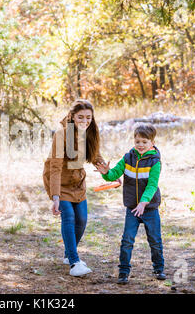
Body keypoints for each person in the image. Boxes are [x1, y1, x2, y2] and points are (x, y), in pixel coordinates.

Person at [95, 124, 165, 284]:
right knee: (127, 239)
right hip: (132, 208)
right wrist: (106, 173)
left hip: (149, 208)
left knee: (155, 240)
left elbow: (152, 185)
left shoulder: (155, 161)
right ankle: (123, 272)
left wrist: (143, 203)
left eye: (144, 142)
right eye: (138, 141)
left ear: (152, 143)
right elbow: (114, 174)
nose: (140, 145)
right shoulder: (128, 158)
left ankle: (159, 268)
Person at [43, 99, 106, 277]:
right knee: (69, 217)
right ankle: (74, 262)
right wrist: (55, 196)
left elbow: (95, 155)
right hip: (59, 182)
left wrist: (109, 172)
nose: (85, 121)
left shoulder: (90, 131)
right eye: (80, 117)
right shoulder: (62, 134)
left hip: (77, 182)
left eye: (88, 117)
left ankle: (68, 254)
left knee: (82, 219)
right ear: (72, 116)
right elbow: (55, 167)